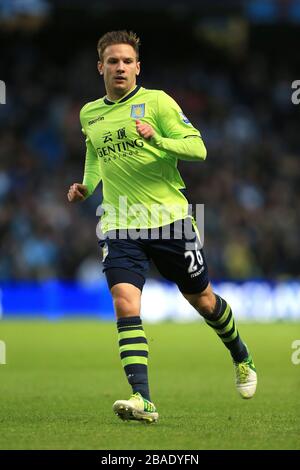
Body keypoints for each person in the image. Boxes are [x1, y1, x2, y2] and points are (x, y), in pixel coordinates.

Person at [67, 30, 257, 424]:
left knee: (203, 301)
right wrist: (87, 187)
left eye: (127, 61)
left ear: (138, 67)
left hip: (170, 221)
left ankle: (240, 355)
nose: (120, 67)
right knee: (124, 302)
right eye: (113, 61)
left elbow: (198, 148)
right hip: (119, 222)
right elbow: (95, 155)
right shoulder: (90, 114)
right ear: (100, 66)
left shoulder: (157, 103)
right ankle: (142, 398)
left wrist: (160, 139)